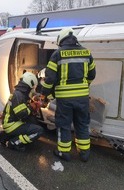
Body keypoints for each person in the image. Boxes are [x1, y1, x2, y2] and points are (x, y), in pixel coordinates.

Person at [40, 27, 96, 162]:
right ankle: (84, 153)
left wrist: (44, 93)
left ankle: (64, 152)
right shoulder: (86, 52)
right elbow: (92, 75)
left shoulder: (57, 54)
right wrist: (84, 86)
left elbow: (50, 79)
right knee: (82, 124)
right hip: (82, 98)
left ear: (61, 39)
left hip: (65, 99)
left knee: (64, 124)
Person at [0, 72, 44, 151]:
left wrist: (31, 105)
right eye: (32, 87)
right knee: (38, 130)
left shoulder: (18, 93)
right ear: (28, 85)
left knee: (33, 122)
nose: (33, 90)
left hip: (10, 123)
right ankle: (14, 142)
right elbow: (21, 114)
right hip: (11, 124)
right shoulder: (19, 95)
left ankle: (6, 136)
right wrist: (31, 107)